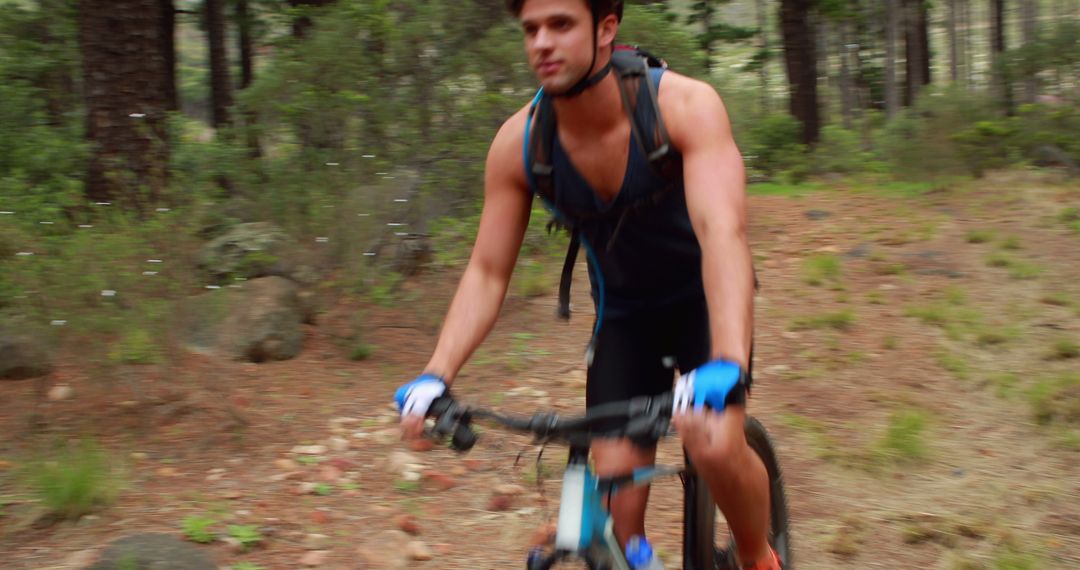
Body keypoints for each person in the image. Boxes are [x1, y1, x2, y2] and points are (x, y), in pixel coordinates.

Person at [394, 0, 780, 568]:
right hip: (626, 319)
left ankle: (757, 556)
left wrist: (725, 359)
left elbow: (722, 233)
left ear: (606, 26)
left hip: (704, 303)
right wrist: (436, 373)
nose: (541, 43)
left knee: (713, 443)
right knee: (616, 519)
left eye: (560, 24)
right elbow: (487, 270)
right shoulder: (520, 145)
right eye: (530, 29)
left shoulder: (685, 107)